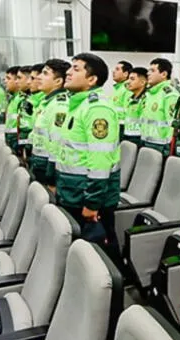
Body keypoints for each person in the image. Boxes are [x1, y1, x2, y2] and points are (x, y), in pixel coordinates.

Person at [56, 53, 122, 267]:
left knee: (100, 257)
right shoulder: (76, 105)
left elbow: (100, 161)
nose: (68, 72)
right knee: (85, 257)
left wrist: (92, 203)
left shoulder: (97, 109)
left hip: (89, 198)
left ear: (92, 80)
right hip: (73, 191)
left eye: (76, 69)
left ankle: (114, 297)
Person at [28, 59, 70, 185]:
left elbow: (57, 143)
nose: (39, 77)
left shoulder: (59, 105)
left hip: (48, 169)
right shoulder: (47, 102)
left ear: (58, 81)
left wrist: (52, 178)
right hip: (40, 163)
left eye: (45, 74)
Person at [141, 58, 180, 156]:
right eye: (148, 70)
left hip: (161, 146)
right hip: (146, 142)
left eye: (153, 71)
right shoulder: (150, 93)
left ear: (164, 74)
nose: (148, 73)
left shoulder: (169, 94)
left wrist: (169, 147)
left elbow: (173, 124)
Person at [18, 64, 46, 160]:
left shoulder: (49, 104)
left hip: (45, 159)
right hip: (34, 154)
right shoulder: (36, 102)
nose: (28, 82)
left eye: (32, 78)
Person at [122, 67, 148, 146]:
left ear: (142, 82)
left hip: (139, 138)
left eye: (132, 79)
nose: (128, 82)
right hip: (128, 135)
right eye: (129, 79)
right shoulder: (130, 98)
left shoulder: (146, 99)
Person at [111, 60, 134, 136]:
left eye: (117, 69)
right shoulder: (118, 88)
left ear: (126, 74)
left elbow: (129, 111)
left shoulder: (127, 88)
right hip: (115, 125)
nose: (113, 71)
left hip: (123, 127)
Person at [4, 65, 23, 153]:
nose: (5, 81)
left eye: (8, 78)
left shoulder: (21, 99)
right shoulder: (13, 98)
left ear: (16, 80)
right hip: (11, 140)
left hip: (17, 142)